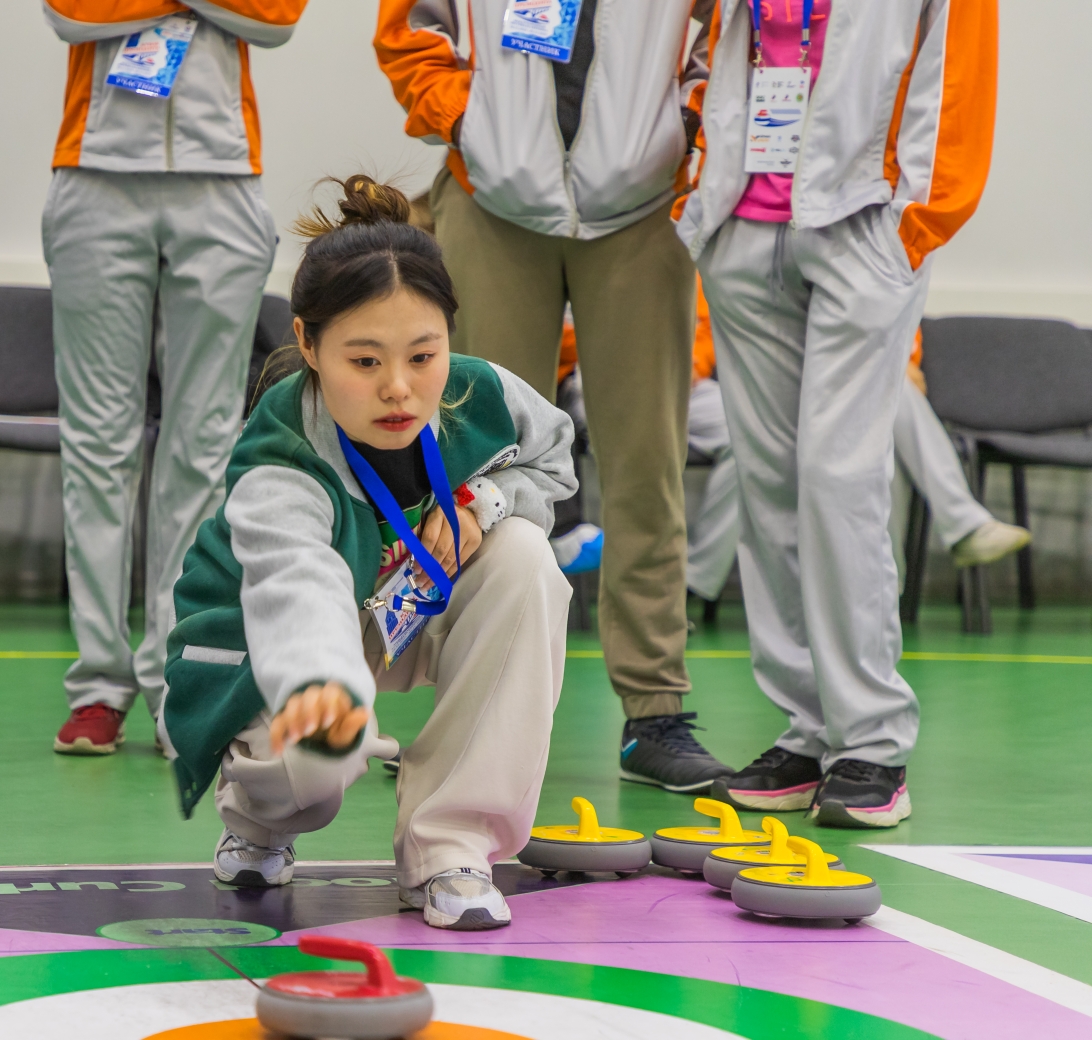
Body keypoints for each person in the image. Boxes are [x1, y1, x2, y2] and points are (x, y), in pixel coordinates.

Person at [162, 177, 578, 930]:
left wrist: (485, 503)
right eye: (364, 362)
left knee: (525, 559)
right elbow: (301, 590)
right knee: (315, 762)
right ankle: (257, 820)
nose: (399, 389)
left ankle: (450, 846)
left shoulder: (481, 394)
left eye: (423, 355)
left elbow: (552, 464)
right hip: (275, 646)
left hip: (405, 608)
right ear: (307, 344)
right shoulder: (281, 458)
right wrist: (324, 687)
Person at [375, 0, 737, 794]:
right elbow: (411, 29)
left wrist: (682, 128)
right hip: (494, 203)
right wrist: (470, 123)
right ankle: (459, 704)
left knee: (648, 465)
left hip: (643, 210)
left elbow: (724, 37)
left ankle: (654, 712)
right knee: (467, 468)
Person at [678, 0, 997, 827]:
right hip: (744, 222)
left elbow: (956, 77)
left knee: (836, 479)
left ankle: (873, 745)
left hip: (866, 220)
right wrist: (700, 190)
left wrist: (915, 226)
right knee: (770, 488)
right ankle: (808, 729)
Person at [42, 0, 303, 755]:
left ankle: (173, 678)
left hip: (220, 183)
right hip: (94, 179)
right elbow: (67, 11)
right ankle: (97, 684)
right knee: (97, 445)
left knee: (202, 447)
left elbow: (279, 15)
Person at [689, 322, 1031, 605]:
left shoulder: (884, 251)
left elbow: (891, 303)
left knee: (886, 409)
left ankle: (884, 591)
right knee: (884, 396)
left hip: (843, 377)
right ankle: (953, 531)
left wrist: (905, 358)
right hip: (795, 377)